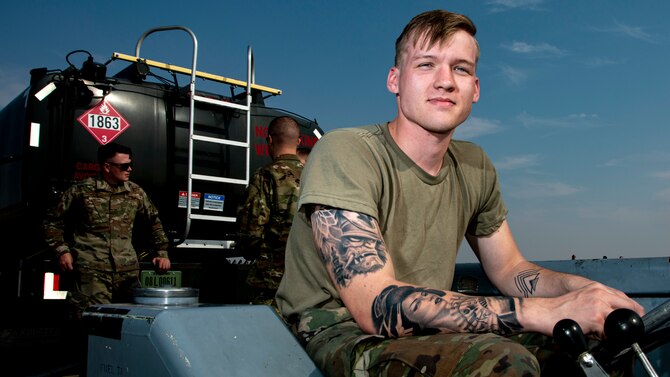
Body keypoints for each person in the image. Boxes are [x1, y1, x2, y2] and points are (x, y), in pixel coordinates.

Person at [275, 9, 644, 377]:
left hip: (428, 329)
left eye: (461, 68)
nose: (445, 81)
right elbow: (375, 305)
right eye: (425, 65)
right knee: (501, 362)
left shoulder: (475, 164)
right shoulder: (346, 151)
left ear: (475, 89)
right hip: (336, 329)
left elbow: (511, 269)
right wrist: (544, 311)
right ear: (394, 80)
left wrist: (579, 291)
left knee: (595, 344)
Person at [44, 141, 171, 319]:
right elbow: (52, 221)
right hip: (92, 272)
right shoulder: (82, 190)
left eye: (131, 164)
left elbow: (153, 221)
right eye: (124, 165)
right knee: (91, 323)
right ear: (107, 167)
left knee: (128, 323)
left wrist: (161, 251)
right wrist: (61, 250)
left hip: (127, 274)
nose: (130, 169)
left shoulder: (136, 192)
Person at [236, 116, 304, 306]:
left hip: (272, 283)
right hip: (308, 280)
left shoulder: (266, 176)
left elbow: (250, 231)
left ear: (270, 140)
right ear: (298, 141)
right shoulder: (314, 175)